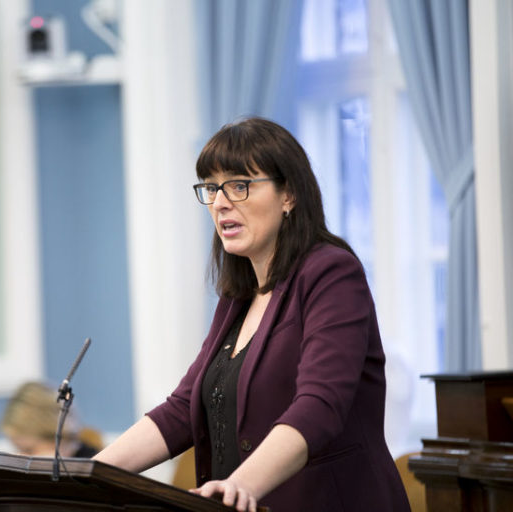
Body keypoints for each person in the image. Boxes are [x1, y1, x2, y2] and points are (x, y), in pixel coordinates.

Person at [93, 118, 410, 512]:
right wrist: (87, 474)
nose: (220, 202)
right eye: (212, 188)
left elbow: (319, 404)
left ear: (288, 194)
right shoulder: (237, 298)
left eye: (239, 185)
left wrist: (239, 485)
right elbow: (183, 410)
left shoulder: (331, 273)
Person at [0, 381, 102, 458]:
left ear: (57, 439)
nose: (22, 457)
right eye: (19, 450)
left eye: (29, 450)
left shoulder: (93, 468)